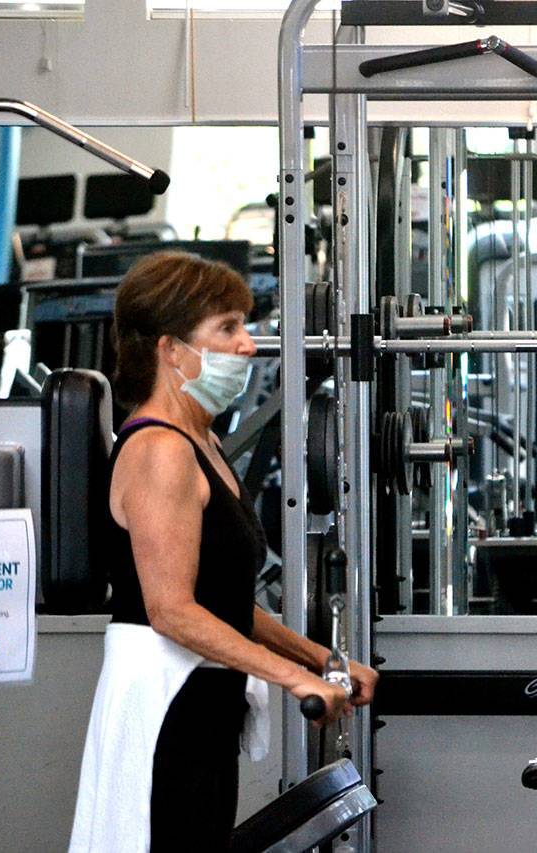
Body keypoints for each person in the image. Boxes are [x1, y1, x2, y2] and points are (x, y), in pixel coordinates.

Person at [70, 251, 378, 851]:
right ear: (172, 349)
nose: (248, 345)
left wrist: (324, 660)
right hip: (166, 707)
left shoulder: (201, 440)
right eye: (227, 329)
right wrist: (293, 679)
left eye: (244, 325)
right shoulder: (160, 450)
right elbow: (172, 610)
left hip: (207, 703)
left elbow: (223, 600)